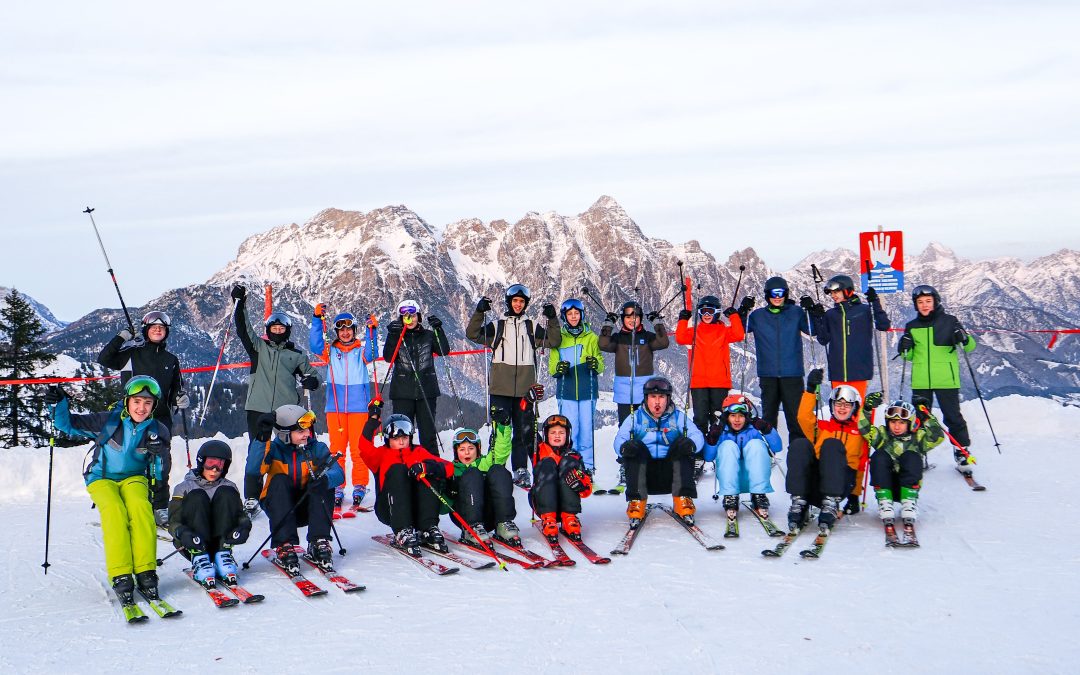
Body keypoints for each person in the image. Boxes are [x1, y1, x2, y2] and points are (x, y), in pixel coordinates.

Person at [46, 376, 171, 607]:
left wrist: (159, 453)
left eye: (147, 403)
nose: (141, 408)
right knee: (114, 511)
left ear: (154, 406)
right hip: (101, 477)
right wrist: (59, 403)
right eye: (136, 402)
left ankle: (146, 571)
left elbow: (160, 474)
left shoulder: (158, 430)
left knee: (141, 509)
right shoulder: (109, 421)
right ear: (127, 401)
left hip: (134, 478)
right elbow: (66, 424)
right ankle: (121, 574)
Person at [803, 274, 890, 512]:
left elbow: (883, 325)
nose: (833, 296)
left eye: (836, 292)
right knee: (839, 429)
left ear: (848, 291)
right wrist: (815, 314)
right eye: (831, 293)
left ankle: (854, 492)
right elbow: (823, 339)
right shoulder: (831, 314)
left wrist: (874, 303)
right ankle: (833, 479)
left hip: (859, 375)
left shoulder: (863, 310)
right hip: (838, 375)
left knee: (859, 432)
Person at [231, 285, 321, 509]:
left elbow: (313, 375)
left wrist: (311, 381)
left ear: (287, 331)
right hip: (258, 408)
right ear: (268, 329)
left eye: (282, 328)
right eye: (274, 328)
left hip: (286, 411)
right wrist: (240, 302)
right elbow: (244, 329)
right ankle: (252, 496)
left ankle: (290, 489)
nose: (278, 331)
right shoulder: (258, 348)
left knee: (289, 449)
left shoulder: (295, 355)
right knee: (257, 451)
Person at [466, 284, 560, 488]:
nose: (518, 305)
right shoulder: (498, 326)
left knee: (522, 431)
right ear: (509, 302)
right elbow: (472, 334)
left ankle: (520, 470)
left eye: (522, 302)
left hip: (525, 392)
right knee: (500, 430)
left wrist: (552, 319)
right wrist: (479, 311)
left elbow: (554, 340)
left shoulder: (531, 326)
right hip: (500, 389)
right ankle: (496, 468)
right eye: (515, 301)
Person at [97, 310, 185, 525]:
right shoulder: (131, 353)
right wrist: (122, 337)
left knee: (161, 461)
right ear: (146, 330)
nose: (158, 330)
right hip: (132, 416)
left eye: (162, 328)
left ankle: (160, 507)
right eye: (154, 327)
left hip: (160, 418)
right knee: (132, 459)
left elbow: (176, 388)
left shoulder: (171, 360)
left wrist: (180, 398)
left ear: (166, 333)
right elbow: (104, 358)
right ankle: (132, 503)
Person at [243, 405, 343, 574]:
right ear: (284, 434)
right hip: (280, 507)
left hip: (307, 506)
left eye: (307, 430)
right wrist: (262, 438)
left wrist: (326, 480)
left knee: (323, 482)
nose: (306, 434)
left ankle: (319, 541)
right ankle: (284, 544)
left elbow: (338, 472)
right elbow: (253, 469)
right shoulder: (273, 450)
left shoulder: (316, 448)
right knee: (280, 480)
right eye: (300, 431)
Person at [898, 284, 978, 473]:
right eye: (920, 302)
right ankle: (919, 453)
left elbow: (969, 347)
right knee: (919, 419)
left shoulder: (950, 321)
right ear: (915, 305)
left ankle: (961, 452)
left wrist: (964, 338)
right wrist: (904, 347)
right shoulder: (912, 326)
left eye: (928, 301)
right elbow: (907, 357)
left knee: (953, 417)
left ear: (935, 301)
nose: (924, 305)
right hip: (921, 381)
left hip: (946, 380)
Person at [359, 405, 455, 556]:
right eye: (396, 439)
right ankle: (402, 530)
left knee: (429, 471)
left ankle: (427, 528)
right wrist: (372, 420)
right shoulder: (381, 455)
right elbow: (364, 447)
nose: (402, 442)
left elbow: (449, 467)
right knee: (398, 470)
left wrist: (426, 467)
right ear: (388, 439)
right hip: (390, 509)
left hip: (418, 509)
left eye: (405, 438)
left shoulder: (418, 452)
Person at [311, 304, 378, 513]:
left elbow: (373, 352)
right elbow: (315, 344)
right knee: (337, 450)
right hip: (336, 408)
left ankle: (360, 486)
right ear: (337, 332)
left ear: (354, 330)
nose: (346, 332)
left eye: (349, 329)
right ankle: (337, 487)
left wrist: (372, 330)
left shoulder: (361, 352)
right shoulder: (330, 352)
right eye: (341, 330)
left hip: (359, 407)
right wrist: (316, 319)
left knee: (359, 449)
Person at [613, 376, 704, 527]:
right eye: (652, 397)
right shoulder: (635, 418)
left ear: (668, 399)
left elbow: (697, 436)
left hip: (672, 475)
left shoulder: (678, 417)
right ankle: (637, 502)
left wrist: (692, 444)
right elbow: (619, 438)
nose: (657, 402)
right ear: (646, 398)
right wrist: (624, 447)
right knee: (634, 446)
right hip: (643, 475)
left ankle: (682, 499)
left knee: (683, 443)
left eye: (661, 397)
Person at [785, 368, 865, 533]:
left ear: (854, 408)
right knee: (800, 444)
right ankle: (800, 502)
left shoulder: (859, 433)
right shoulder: (822, 428)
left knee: (832, 445)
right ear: (832, 406)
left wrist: (855, 496)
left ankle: (830, 505)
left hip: (839, 486)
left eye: (847, 405)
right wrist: (810, 390)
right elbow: (803, 418)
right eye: (838, 404)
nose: (842, 408)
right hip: (815, 483)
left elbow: (862, 463)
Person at [167, 440, 252, 588]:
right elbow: (173, 521)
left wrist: (244, 525)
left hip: (223, 542)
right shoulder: (184, 488)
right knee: (196, 496)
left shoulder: (229, 487)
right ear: (201, 462)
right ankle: (200, 558)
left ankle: (222, 556)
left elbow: (240, 515)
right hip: (193, 543)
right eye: (210, 463)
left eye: (219, 465)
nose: (214, 470)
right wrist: (182, 532)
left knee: (226, 492)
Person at [859, 393, 944, 535]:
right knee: (879, 456)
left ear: (909, 423)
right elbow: (865, 429)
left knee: (913, 456)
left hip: (907, 485)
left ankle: (909, 503)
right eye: (893, 422)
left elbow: (937, 436)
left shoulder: (917, 438)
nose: (897, 426)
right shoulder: (883, 436)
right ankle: (885, 504)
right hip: (887, 485)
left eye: (902, 423)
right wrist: (867, 409)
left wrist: (926, 416)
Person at [702, 394, 783, 530]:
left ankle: (759, 495)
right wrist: (712, 439)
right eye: (733, 415)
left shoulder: (754, 431)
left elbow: (777, 447)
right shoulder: (722, 432)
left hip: (752, 478)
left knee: (756, 445)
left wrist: (766, 429)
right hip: (729, 479)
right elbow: (709, 458)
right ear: (726, 417)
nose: (737, 420)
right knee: (727, 447)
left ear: (747, 416)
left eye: (741, 415)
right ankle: (730, 497)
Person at [674, 294, 750, 438]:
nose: (706, 314)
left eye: (710, 311)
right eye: (703, 311)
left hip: (719, 382)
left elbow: (739, 334)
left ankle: (718, 447)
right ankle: (700, 447)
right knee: (700, 418)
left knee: (719, 417)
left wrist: (734, 316)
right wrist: (683, 320)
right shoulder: (695, 331)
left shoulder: (724, 331)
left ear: (717, 312)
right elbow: (680, 337)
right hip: (699, 383)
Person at [747, 277, 812, 443]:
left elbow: (813, 330)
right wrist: (741, 311)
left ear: (786, 294)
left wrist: (811, 311)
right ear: (767, 295)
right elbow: (740, 331)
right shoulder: (757, 316)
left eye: (781, 293)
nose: (777, 297)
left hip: (792, 374)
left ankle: (799, 454)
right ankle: (768, 453)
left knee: (795, 417)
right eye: (773, 293)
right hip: (768, 375)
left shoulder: (796, 312)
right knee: (768, 417)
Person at [383, 299, 450, 455]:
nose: (410, 319)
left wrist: (438, 329)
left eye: (413, 315)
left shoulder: (428, 335)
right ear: (400, 318)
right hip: (402, 393)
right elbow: (388, 357)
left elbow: (443, 350)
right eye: (405, 316)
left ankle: (432, 471)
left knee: (428, 436)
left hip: (427, 391)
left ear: (418, 316)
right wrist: (393, 334)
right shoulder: (397, 336)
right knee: (402, 434)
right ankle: (403, 469)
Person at [548, 298, 604, 473]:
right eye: (570, 314)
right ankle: (570, 467)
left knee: (586, 432)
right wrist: (559, 368)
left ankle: (587, 468)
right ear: (565, 316)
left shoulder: (592, 338)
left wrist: (595, 364)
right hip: (567, 392)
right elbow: (552, 368)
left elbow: (601, 364)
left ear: (582, 315)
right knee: (570, 431)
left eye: (576, 313)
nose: (574, 317)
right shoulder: (559, 340)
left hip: (588, 392)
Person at [449, 413, 519, 547]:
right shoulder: (452, 469)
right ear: (456, 452)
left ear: (478, 449)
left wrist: (503, 427)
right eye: (462, 449)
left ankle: (503, 523)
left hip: (490, 515)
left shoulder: (484, 463)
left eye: (471, 448)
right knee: (472, 474)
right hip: (464, 516)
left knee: (498, 469)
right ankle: (472, 528)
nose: (467, 453)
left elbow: (500, 453)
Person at [599, 301, 669, 426]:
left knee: (646, 426)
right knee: (626, 426)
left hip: (645, 391)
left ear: (640, 319)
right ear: (623, 319)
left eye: (636, 317)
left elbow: (663, 342)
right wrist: (608, 324)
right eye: (628, 317)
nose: (632, 320)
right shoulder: (618, 338)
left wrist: (657, 323)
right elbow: (603, 345)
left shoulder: (647, 337)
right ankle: (626, 446)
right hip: (624, 392)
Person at [531, 414, 593, 542]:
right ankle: (548, 519)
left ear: (568, 435)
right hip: (542, 503)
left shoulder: (574, 456)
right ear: (546, 435)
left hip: (567, 505)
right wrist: (527, 405)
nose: (557, 435)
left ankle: (569, 518)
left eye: (561, 432)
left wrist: (581, 484)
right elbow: (526, 429)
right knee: (547, 462)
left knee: (569, 462)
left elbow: (587, 488)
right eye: (553, 432)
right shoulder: (538, 449)